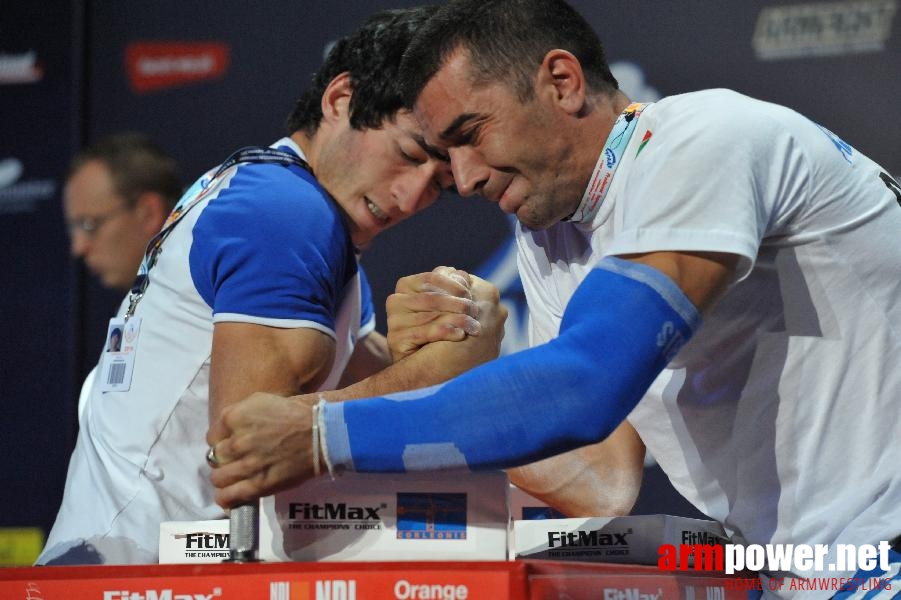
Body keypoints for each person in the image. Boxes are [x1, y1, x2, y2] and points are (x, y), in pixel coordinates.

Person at [207, 0, 901, 595]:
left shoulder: (704, 140)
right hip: (796, 569)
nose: (463, 178)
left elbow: (582, 388)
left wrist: (321, 434)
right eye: (443, 157)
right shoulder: (556, 233)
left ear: (561, 82)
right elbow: (599, 478)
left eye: (469, 136)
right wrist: (468, 367)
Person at [38, 7, 505, 565]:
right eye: (407, 155)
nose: (410, 198)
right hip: (142, 571)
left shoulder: (282, 197)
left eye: (440, 183)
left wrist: (434, 346)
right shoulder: (286, 213)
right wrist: (434, 370)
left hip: (120, 559)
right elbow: (242, 450)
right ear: (340, 100)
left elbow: (345, 379)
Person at [63, 132, 182, 292]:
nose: (78, 248)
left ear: (149, 214)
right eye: (74, 228)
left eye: (89, 225)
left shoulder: (211, 304)